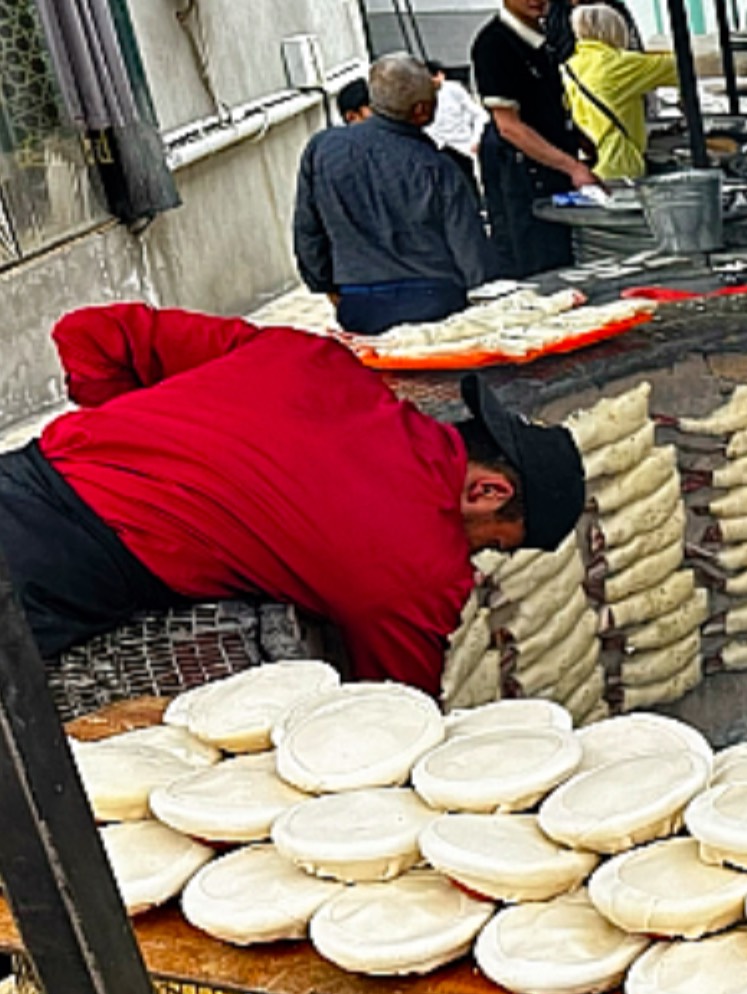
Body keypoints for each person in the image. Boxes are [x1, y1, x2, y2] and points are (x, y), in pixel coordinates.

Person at [0, 304, 583, 690]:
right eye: (492, 545)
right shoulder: (423, 567)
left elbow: (91, 333)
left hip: (19, 479)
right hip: (57, 574)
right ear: (488, 491)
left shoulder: (313, 360)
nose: (475, 558)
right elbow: (393, 717)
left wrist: (133, 434)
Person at [293, 54, 494, 335]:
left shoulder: (322, 150)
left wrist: (328, 289)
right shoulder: (439, 166)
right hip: (437, 302)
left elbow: (308, 233)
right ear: (422, 110)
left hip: (358, 302)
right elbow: (470, 252)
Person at [471, 0, 600, 277]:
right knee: (538, 266)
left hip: (552, 169)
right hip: (520, 177)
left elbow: (543, 103)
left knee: (566, 258)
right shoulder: (493, 45)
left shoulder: (544, 38)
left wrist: (576, 136)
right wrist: (573, 167)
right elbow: (510, 127)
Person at [563, 3, 677, 183]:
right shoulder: (620, 64)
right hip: (623, 164)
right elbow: (680, 67)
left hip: (595, 162)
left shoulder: (570, 67)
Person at [424, 59, 490, 159]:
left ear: (440, 75)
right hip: (437, 151)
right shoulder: (418, 97)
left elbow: (480, 115)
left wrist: (476, 140)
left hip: (464, 148)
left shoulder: (454, 89)